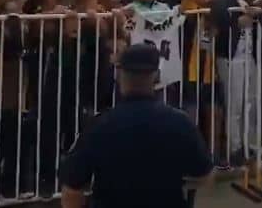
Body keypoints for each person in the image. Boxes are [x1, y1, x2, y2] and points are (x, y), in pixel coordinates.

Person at [58, 44, 213, 208]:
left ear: (119, 75)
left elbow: (71, 189)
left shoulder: (100, 125)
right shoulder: (180, 123)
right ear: (156, 76)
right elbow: (205, 175)